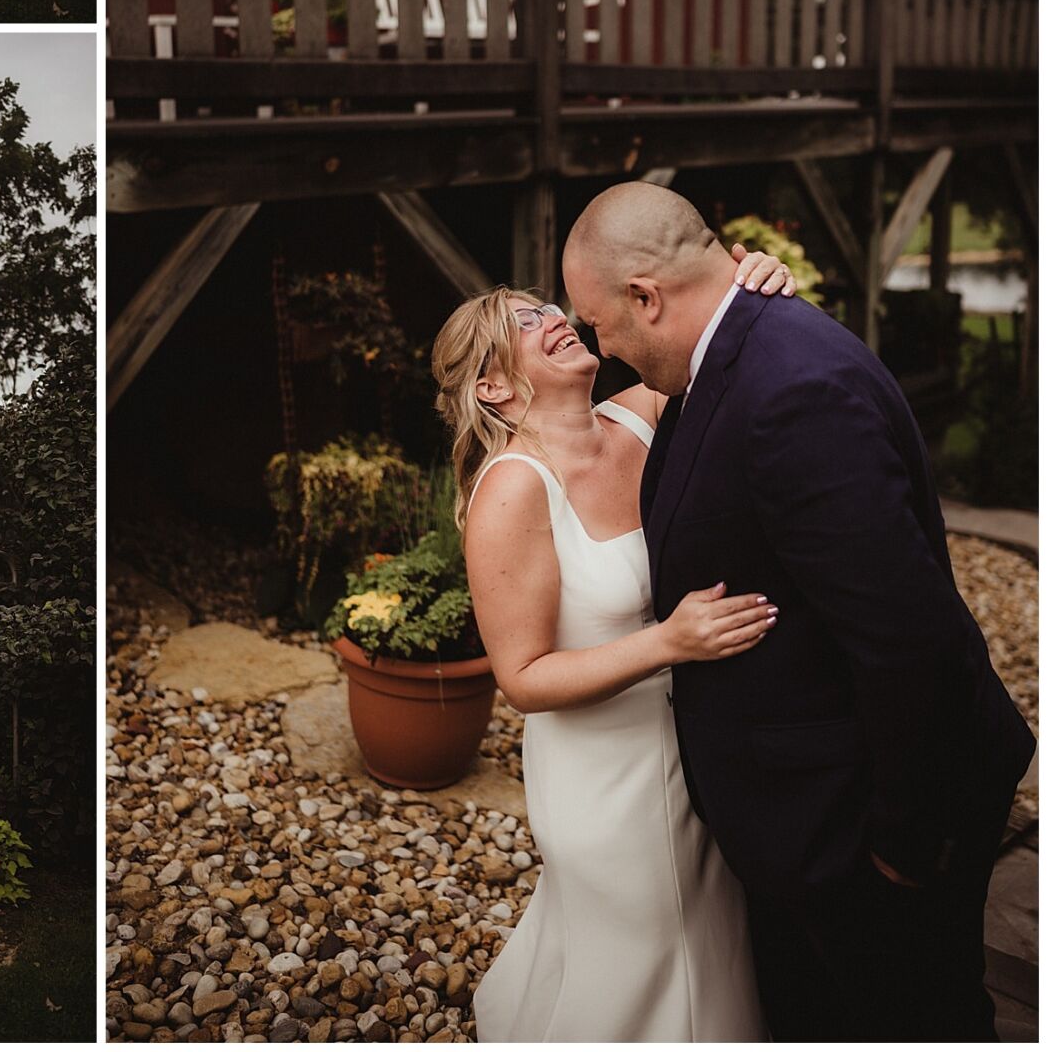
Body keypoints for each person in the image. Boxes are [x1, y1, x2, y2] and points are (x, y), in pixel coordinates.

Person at [561, 182, 1036, 1042]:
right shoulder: (734, 345)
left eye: (600, 324)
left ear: (646, 296)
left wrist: (902, 846)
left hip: (865, 830)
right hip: (807, 816)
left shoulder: (792, 392)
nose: (605, 348)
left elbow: (908, 639)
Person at [438, 243, 793, 1040]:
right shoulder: (513, 490)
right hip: (604, 782)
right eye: (524, 324)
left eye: (548, 308)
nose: (554, 319)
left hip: (696, 748)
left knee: (710, 941)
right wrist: (670, 642)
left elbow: (720, 343)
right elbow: (522, 678)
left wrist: (755, 284)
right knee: (648, 960)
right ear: (494, 387)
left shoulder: (642, 415)